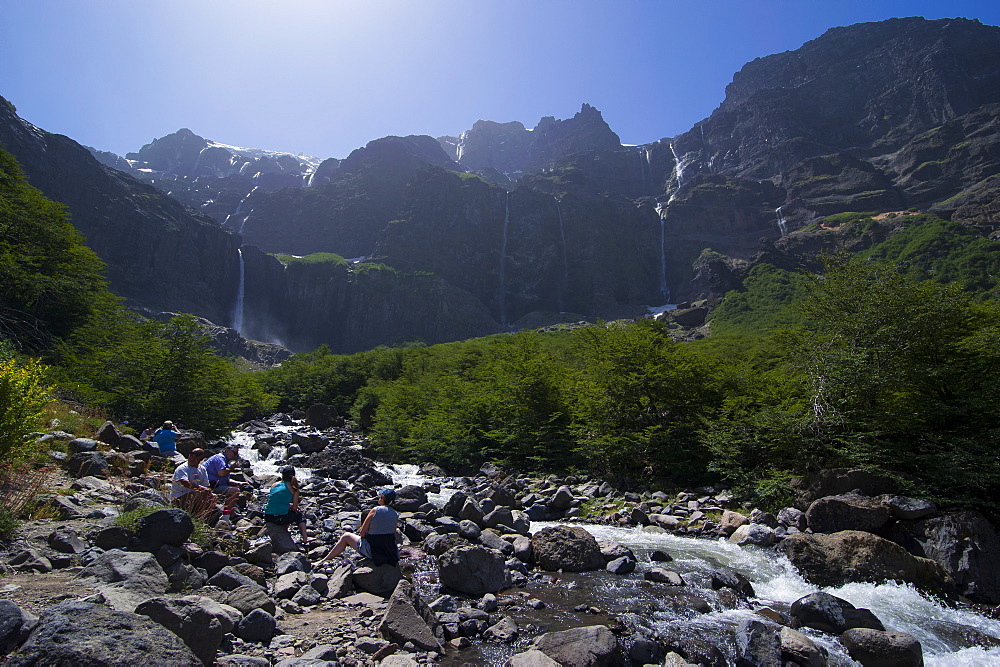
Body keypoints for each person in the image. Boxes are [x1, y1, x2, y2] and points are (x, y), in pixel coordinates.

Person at [318, 488, 399, 567]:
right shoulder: (395, 514)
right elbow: (393, 533)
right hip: (389, 551)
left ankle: (323, 560)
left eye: (380, 496)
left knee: (346, 536)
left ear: (383, 498)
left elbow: (362, 533)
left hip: (374, 551)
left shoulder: (375, 510)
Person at [263, 466, 309, 546]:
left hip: (268, 516)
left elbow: (276, 501)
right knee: (299, 515)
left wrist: (289, 505)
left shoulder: (274, 485)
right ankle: (305, 538)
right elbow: (295, 508)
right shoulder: (294, 488)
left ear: (282, 475)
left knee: (285, 511)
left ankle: (285, 530)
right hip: (279, 518)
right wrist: (292, 506)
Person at [170, 448, 212, 512]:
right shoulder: (182, 468)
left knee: (213, 497)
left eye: (196, 457)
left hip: (194, 496)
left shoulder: (202, 469)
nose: (193, 458)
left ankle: (203, 515)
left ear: (201, 458)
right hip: (179, 497)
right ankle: (196, 514)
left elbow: (206, 485)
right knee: (200, 494)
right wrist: (200, 488)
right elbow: (184, 482)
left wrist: (209, 493)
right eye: (191, 456)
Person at [203, 445, 244, 511]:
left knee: (235, 489)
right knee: (235, 491)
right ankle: (228, 513)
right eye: (234, 453)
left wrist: (239, 483)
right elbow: (222, 473)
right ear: (227, 451)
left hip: (217, 485)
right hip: (210, 486)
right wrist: (232, 468)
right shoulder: (219, 458)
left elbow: (225, 480)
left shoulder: (225, 462)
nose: (236, 456)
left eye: (237, 454)